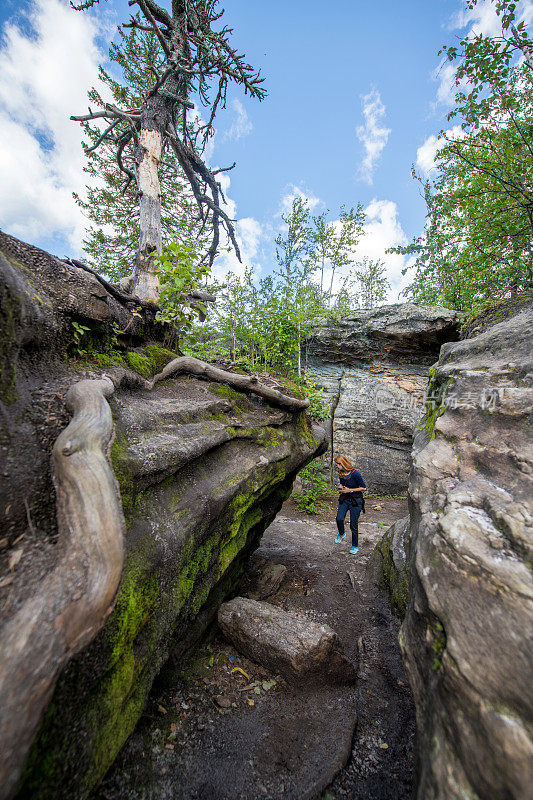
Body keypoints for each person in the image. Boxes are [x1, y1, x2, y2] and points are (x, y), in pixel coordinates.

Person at [334, 455, 366, 554]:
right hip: (345, 498)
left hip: (356, 500)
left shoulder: (355, 473)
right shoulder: (341, 473)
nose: (337, 467)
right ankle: (341, 534)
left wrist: (350, 490)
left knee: (353, 524)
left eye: (337, 465)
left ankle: (354, 546)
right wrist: (340, 488)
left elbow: (363, 487)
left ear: (342, 464)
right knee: (339, 518)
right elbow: (341, 483)